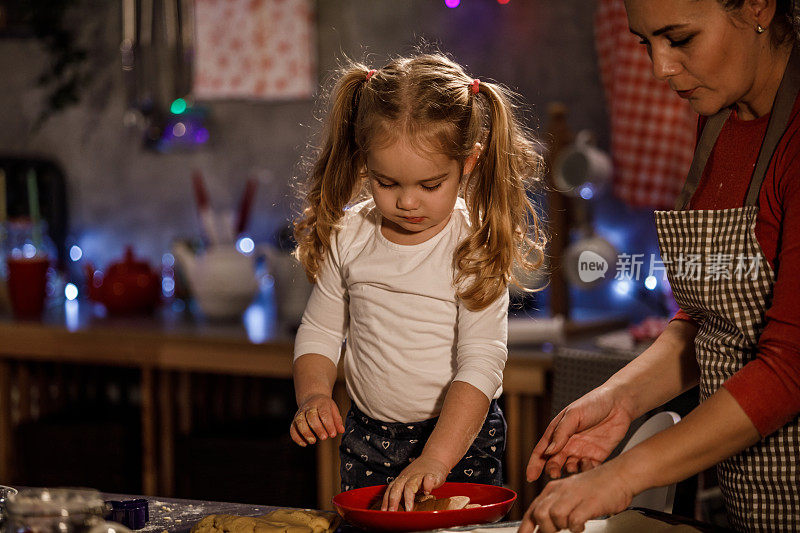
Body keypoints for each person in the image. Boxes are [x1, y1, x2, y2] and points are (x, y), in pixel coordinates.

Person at [520, 1, 800, 532]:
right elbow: (710, 324)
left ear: (759, 6)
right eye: (646, 43)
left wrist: (621, 477)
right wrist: (617, 399)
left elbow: (789, 368)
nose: (660, 68)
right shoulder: (719, 121)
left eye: (681, 39)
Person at [289, 53, 546, 512]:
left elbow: (481, 361)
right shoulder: (350, 235)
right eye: (386, 182)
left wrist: (435, 458)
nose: (407, 202)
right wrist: (313, 394)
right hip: (368, 434)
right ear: (364, 162)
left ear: (469, 163)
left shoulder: (473, 244)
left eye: (430, 185)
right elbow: (321, 331)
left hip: (459, 439)